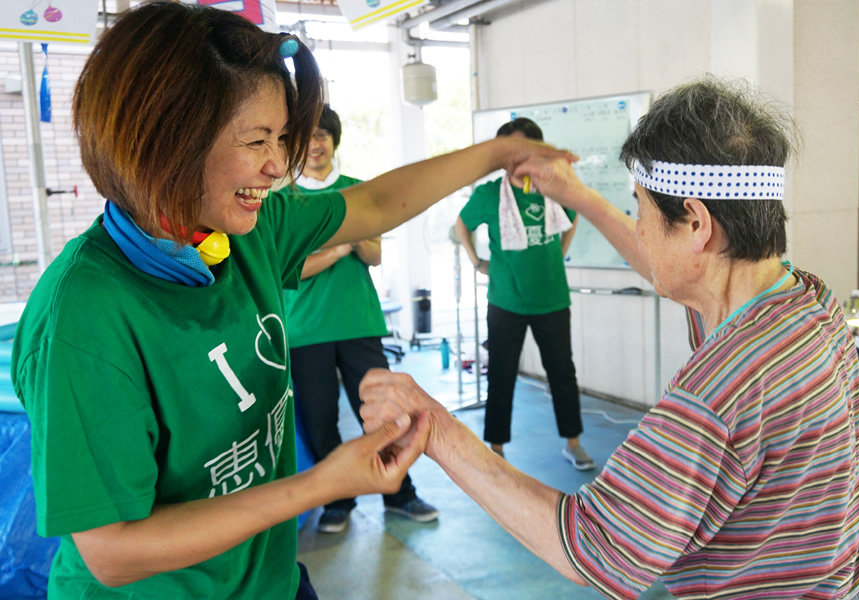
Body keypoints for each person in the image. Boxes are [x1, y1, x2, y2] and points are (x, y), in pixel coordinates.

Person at [9, 3, 574, 599]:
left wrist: (498, 152)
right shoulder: (84, 314)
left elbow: (377, 205)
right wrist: (320, 484)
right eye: (256, 141)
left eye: (281, 139)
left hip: (269, 581)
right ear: (166, 140)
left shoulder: (239, 234)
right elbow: (113, 551)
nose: (278, 166)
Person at [359, 77, 859, 600]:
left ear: (697, 223)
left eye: (639, 208)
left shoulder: (719, 393)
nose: (637, 228)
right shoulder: (808, 301)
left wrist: (437, 431)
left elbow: (593, 546)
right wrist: (578, 197)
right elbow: (688, 271)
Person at [283, 105, 438, 533]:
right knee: (319, 420)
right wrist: (341, 245)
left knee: (385, 416)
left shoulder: (357, 191)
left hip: (359, 322)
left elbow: (374, 252)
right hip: (304, 329)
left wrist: (338, 246)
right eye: (307, 137)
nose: (315, 145)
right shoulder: (283, 200)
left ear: (334, 140)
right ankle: (338, 500)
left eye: (322, 136)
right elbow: (289, 269)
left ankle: (400, 492)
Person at [454, 117, 593, 470]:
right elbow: (461, 224)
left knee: (562, 374)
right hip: (505, 301)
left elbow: (574, 214)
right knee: (501, 375)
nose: (516, 158)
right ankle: (496, 449)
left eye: (524, 149)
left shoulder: (553, 188)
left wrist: (559, 252)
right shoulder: (488, 195)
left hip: (552, 299)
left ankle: (573, 444)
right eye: (508, 151)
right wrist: (475, 261)